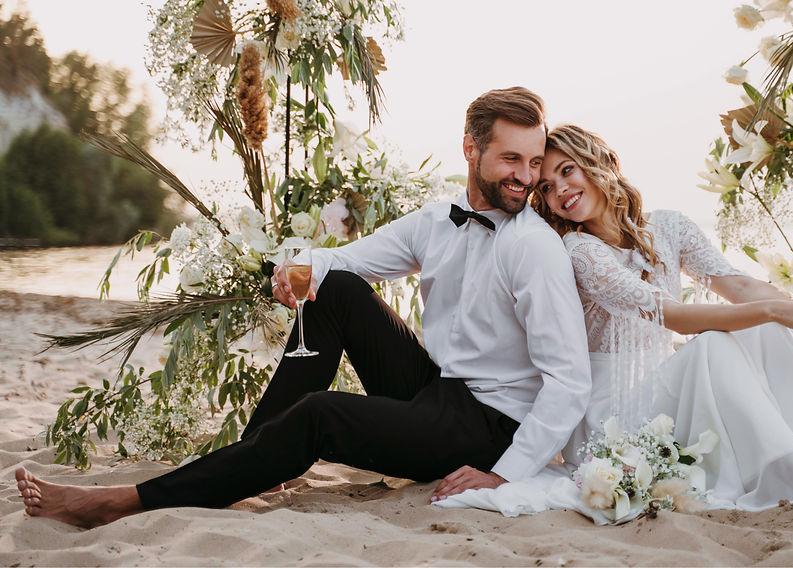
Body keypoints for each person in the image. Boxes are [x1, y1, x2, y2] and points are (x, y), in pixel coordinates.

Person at [14, 87, 593, 528]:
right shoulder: (435, 222)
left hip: (488, 427)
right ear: (470, 148)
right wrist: (292, 273)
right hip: (437, 390)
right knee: (334, 286)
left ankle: (125, 502)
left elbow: (570, 381)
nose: (525, 177)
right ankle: (253, 461)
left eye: (533, 162)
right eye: (511, 159)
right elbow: (344, 260)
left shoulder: (532, 248)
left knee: (321, 413)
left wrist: (502, 474)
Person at [436, 124, 793, 526]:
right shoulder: (578, 251)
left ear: (600, 163)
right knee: (713, 346)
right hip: (611, 415)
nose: (559, 189)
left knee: (766, 329)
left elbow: (738, 286)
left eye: (567, 171)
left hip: (665, 393)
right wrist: (777, 310)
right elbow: (674, 315)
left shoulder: (669, 227)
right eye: (545, 187)